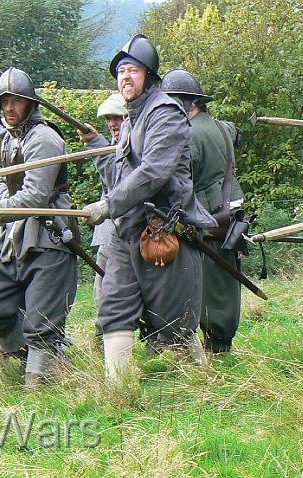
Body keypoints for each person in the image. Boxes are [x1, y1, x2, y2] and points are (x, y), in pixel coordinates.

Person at [81, 35, 216, 380]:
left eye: (133, 70)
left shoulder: (166, 113)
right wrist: (98, 145)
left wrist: (109, 205)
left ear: (150, 76)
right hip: (129, 232)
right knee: (113, 307)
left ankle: (198, 387)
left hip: (165, 232)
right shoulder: (129, 119)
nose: (125, 77)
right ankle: (118, 391)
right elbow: (121, 176)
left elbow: (153, 172)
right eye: (121, 71)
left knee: (172, 324)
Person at [0, 67, 78, 387]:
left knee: (41, 320)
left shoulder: (44, 138)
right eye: (5, 102)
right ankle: (46, 358)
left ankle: (40, 379)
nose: (10, 108)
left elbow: (34, 197)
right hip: (15, 235)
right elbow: (10, 189)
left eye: (17, 101)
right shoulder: (9, 141)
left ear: (30, 104)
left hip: (49, 235)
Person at [160, 68, 245, 353]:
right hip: (230, 211)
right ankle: (219, 340)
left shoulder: (188, 134)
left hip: (207, 216)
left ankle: (215, 345)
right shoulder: (220, 126)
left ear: (189, 104)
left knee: (209, 282)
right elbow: (235, 131)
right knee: (224, 277)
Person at [78, 93, 127, 308]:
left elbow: (118, 181)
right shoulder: (116, 142)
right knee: (102, 284)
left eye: (117, 118)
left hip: (129, 228)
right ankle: (102, 335)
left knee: (113, 288)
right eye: (108, 119)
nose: (112, 123)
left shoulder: (133, 143)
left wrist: (96, 144)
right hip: (112, 227)